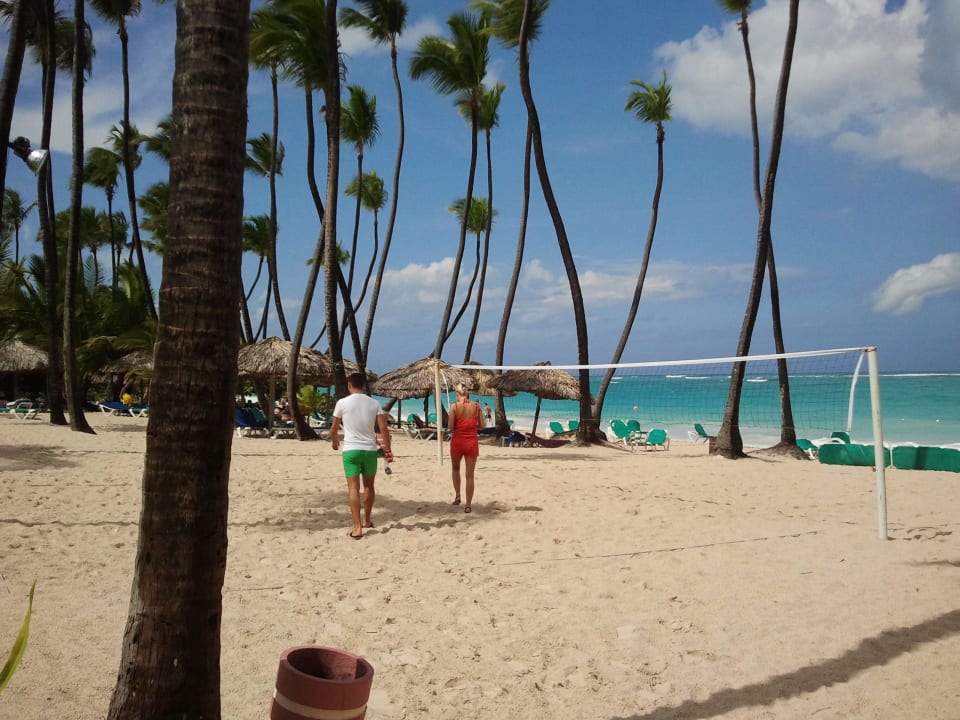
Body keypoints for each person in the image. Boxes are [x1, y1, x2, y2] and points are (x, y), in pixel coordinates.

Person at [330, 372, 393, 539]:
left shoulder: (342, 403)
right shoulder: (374, 403)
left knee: (353, 488)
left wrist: (334, 441)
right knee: (369, 487)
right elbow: (383, 428)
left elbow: (334, 427)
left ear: (349, 385)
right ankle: (367, 520)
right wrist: (388, 449)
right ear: (364, 386)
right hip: (370, 450)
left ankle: (357, 528)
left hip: (351, 450)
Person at [447, 383, 485, 513]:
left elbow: (450, 427)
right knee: (470, 475)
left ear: (457, 394)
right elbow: (483, 425)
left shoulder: (454, 406)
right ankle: (468, 505)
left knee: (455, 469)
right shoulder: (476, 406)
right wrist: (472, 426)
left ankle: (458, 496)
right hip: (471, 442)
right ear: (467, 393)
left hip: (458, 441)